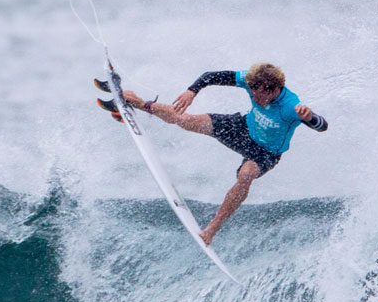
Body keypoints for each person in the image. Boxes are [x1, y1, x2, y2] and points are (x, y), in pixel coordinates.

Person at [120, 63, 328, 245]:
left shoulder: (291, 106)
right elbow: (211, 75)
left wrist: (310, 117)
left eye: (258, 94)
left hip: (265, 152)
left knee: (245, 175)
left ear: (273, 90)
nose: (254, 97)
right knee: (186, 121)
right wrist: (192, 91)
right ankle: (137, 102)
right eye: (252, 92)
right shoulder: (252, 79)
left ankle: (212, 228)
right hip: (243, 128)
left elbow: (322, 126)